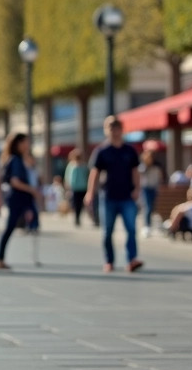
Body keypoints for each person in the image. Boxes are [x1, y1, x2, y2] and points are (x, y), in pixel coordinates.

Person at [87, 117, 144, 273]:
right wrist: (90, 193)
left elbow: (135, 171)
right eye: (110, 128)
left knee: (131, 229)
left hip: (127, 195)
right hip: (108, 196)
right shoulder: (102, 151)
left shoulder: (130, 151)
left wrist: (137, 189)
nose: (114, 131)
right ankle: (109, 261)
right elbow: (95, 173)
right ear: (106, 130)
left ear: (121, 130)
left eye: (116, 128)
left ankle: (132, 259)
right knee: (107, 231)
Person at [0, 133, 39, 270]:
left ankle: (0, 258)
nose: (27, 145)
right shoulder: (15, 160)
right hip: (17, 197)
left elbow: (32, 167)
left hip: (20, 197)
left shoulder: (18, 159)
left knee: (13, 226)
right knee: (10, 227)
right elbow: (15, 181)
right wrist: (32, 190)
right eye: (25, 142)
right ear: (18, 144)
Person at [64, 149, 92, 227]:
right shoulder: (71, 166)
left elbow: (87, 176)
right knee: (76, 204)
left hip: (83, 187)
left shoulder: (84, 166)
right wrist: (68, 187)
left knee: (85, 204)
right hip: (75, 188)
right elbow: (67, 177)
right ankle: (77, 218)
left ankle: (92, 217)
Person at [139, 148, 163, 233]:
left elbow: (160, 176)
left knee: (155, 207)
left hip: (154, 188)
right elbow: (140, 173)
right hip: (146, 188)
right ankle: (147, 226)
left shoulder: (157, 165)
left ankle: (156, 225)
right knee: (147, 207)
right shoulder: (143, 166)